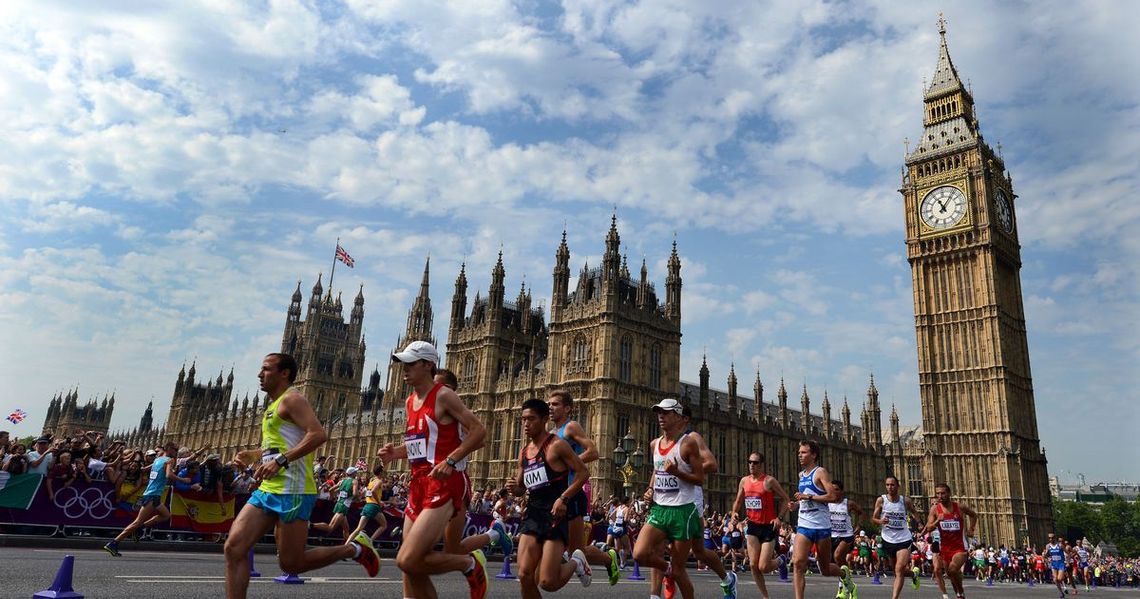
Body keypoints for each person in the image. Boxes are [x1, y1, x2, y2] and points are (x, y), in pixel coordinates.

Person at [221, 353, 380, 599]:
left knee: (292, 564)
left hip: (293, 490)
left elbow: (318, 434)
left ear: (284, 373)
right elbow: (276, 448)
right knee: (233, 548)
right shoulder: (271, 408)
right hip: (268, 490)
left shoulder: (293, 399)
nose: (259, 374)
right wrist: (254, 455)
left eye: (266, 369)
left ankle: (353, 549)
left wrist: (281, 460)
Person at [377, 340, 489, 599]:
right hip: (418, 483)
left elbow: (479, 431)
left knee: (407, 559)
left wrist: (451, 461)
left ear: (428, 365)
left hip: (443, 484)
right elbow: (423, 445)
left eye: (410, 363)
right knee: (412, 567)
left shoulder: (444, 395)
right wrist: (396, 454)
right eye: (402, 364)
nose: (404, 369)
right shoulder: (409, 402)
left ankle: (469, 564)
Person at [632, 398, 729, 599]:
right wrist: (651, 489)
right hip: (660, 507)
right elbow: (658, 470)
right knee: (640, 554)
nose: (661, 416)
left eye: (666, 413)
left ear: (680, 417)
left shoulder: (690, 441)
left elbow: (703, 474)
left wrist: (677, 472)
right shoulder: (654, 444)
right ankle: (663, 579)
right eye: (659, 412)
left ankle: (726, 578)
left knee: (692, 558)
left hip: (684, 508)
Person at [507, 398, 593, 596]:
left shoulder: (557, 445)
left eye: (531, 419)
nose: (526, 424)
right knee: (524, 574)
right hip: (534, 514)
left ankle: (577, 561)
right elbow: (521, 488)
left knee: (547, 582)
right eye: (523, 419)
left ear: (545, 419)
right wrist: (515, 488)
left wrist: (563, 498)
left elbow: (583, 473)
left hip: (555, 516)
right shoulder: (524, 452)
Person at [548, 389, 621, 585]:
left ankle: (609, 558)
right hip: (556, 495)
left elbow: (593, 451)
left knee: (576, 550)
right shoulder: (552, 434)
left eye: (555, 404)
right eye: (550, 404)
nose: (550, 407)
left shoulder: (570, 427)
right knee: (561, 546)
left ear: (567, 408)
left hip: (572, 494)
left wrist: (572, 462)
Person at [787, 440, 854, 599]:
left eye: (803, 452)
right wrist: (797, 504)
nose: (800, 455)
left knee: (825, 569)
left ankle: (845, 576)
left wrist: (808, 496)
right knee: (798, 563)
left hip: (822, 526)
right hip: (804, 525)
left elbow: (832, 496)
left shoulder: (820, 472)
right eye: (799, 452)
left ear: (814, 455)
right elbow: (806, 499)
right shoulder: (801, 475)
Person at [104, 441, 188, 555]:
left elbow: (143, 470)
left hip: (154, 495)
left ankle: (140, 529)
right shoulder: (169, 460)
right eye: (175, 449)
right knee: (137, 522)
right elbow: (169, 475)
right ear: (169, 449)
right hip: (152, 495)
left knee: (166, 515)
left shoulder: (157, 460)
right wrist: (184, 480)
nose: (176, 452)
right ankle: (114, 543)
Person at [730, 451, 790, 599]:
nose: (751, 465)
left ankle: (781, 560)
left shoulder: (769, 481)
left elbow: (786, 499)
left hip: (768, 527)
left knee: (763, 567)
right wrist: (734, 513)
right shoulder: (744, 481)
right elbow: (738, 501)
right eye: (749, 462)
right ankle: (765, 597)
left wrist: (779, 518)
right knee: (752, 565)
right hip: (752, 526)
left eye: (755, 462)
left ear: (761, 465)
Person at [919, 483, 977, 599]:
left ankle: (961, 592)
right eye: (938, 494)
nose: (940, 496)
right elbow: (929, 528)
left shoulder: (959, 507)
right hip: (945, 548)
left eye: (943, 493)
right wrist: (937, 521)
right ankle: (959, 594)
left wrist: (971, 529)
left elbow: (973, 515)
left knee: (953, 569)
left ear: (949, 494)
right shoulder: (935, 509)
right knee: (951, 574)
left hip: (960, 547)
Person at [871, 475, 923, 599]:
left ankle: (894, 598)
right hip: (888, 539)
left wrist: (920, 523)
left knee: (899, 569)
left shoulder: (905, 501)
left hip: (904, 538)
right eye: (887, 485)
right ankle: (913, 574)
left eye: (892, 484)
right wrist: (880, 521)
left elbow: (914, 511)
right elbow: (873, 518)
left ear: (898, 486)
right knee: (896, 570)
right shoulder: (881, 500)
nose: (890, 487)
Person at [828, 479, 865, 599]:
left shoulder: (848, 503)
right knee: (835, 563)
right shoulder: (826, 502)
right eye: (832, 489)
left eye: (837, 490)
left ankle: (841, 590)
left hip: (846, 535)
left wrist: (859, 526)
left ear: (842, 491)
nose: (834, 492)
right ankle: (850, 586)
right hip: (831, 535)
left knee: (838, 556)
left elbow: (861, 512)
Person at [311, 466, 358, 541]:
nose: (356, 473)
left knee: (346, 529)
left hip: (339, 504)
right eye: (356, 472)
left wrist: (334, 497)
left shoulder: (342, 481)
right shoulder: (354, 481)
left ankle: (346, 545)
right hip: (344, 506)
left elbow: (331, 489)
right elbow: (355, 494)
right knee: (330, 528)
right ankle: (311, 525)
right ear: (353, 473)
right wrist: (355, 499)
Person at [349, 464, 390, 542]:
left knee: (359, 528)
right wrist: (379, 502)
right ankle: (370, 541)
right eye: (383, 472)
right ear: (380, 472)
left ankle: (347, 543)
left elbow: (367, 492)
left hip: (367, 505)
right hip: (374, 506)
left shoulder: (371, 481)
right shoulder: (379, 481)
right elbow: (373, 491)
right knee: (384, 525)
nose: (385, 473)